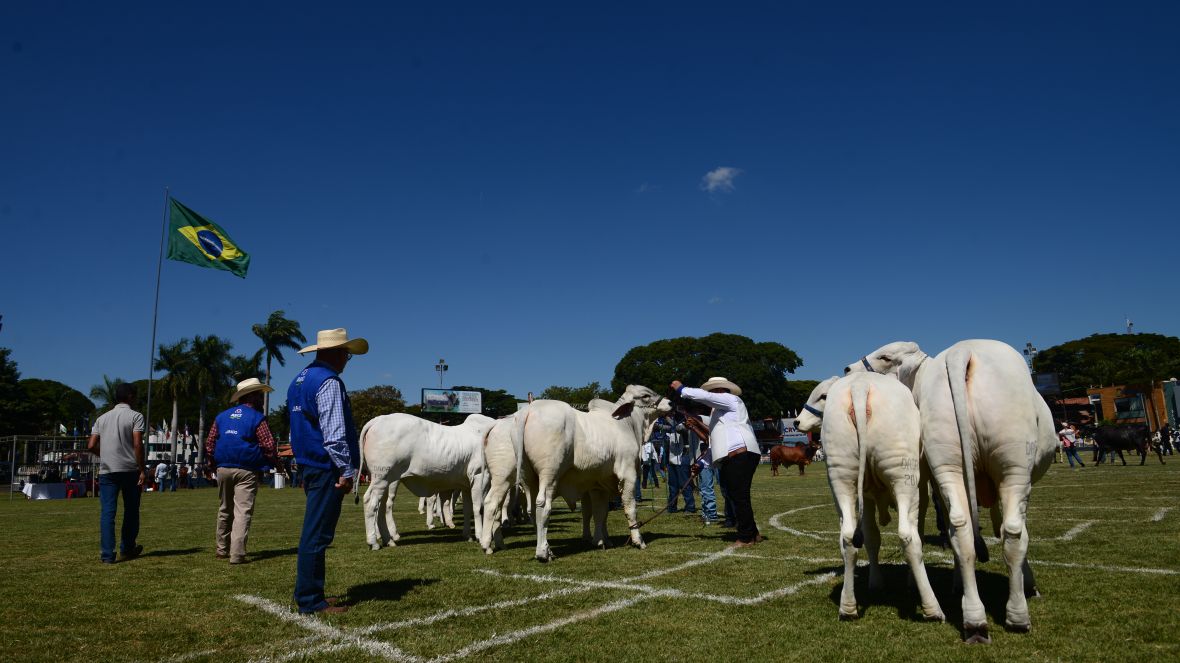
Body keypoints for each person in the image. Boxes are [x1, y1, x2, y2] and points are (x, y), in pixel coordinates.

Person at [289, 328, 367, 615]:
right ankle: (310, 599)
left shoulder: (298, 381)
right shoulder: (329, 382)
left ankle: (312, 593)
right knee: (317, 534)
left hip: (310, 464)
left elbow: (297, 430)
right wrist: (346, 470)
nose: (347, 360)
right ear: (334, 353)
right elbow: (334, 434)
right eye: (346, 354)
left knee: (315, 532)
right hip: (326, 467)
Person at [672, 376, 762, 547]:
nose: (710, 394)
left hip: (740, 455)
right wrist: (701, 464)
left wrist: (681, 389)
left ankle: (745, 537)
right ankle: (752, 532)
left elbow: (707, 398)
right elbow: (715, 442)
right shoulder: (718, 413)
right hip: (734, 456)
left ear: (720, 390)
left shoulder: (731, 399)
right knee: (737, 495)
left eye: (712, 391)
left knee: (739, 496)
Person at [205, 378, 286, 564]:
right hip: (247, 470)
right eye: (259, 394)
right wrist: (276, 463)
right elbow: (268, 445)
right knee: (243, 511)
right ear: (251, 396)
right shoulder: (257, 417)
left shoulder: (222, 416)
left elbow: (210, 444)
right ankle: (237, 554)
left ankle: (221, 549)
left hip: (223, 467)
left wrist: (212, 464)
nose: (262, 398)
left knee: (225, 509)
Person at [86, 382, 145, 563]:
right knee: (131, 511)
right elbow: (137, 443)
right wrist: (142, 468)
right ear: (130, 397)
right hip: (129, 469)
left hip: (107, 470)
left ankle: (107, 555)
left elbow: (90, 445)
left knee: (108, 513)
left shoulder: (102, 418)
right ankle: (127, 548)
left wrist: (103, 454)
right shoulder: (136, 416)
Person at [665, 414, 696, 514]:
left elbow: (678, 428)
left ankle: (690, 507)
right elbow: (668, 427)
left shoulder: (685, 426)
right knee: (672, 486)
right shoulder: (672, 426)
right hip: (672, 459)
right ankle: (672, 507)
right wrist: (655, 425)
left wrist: (666, 416)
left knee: (684, 484)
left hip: (683, 458)